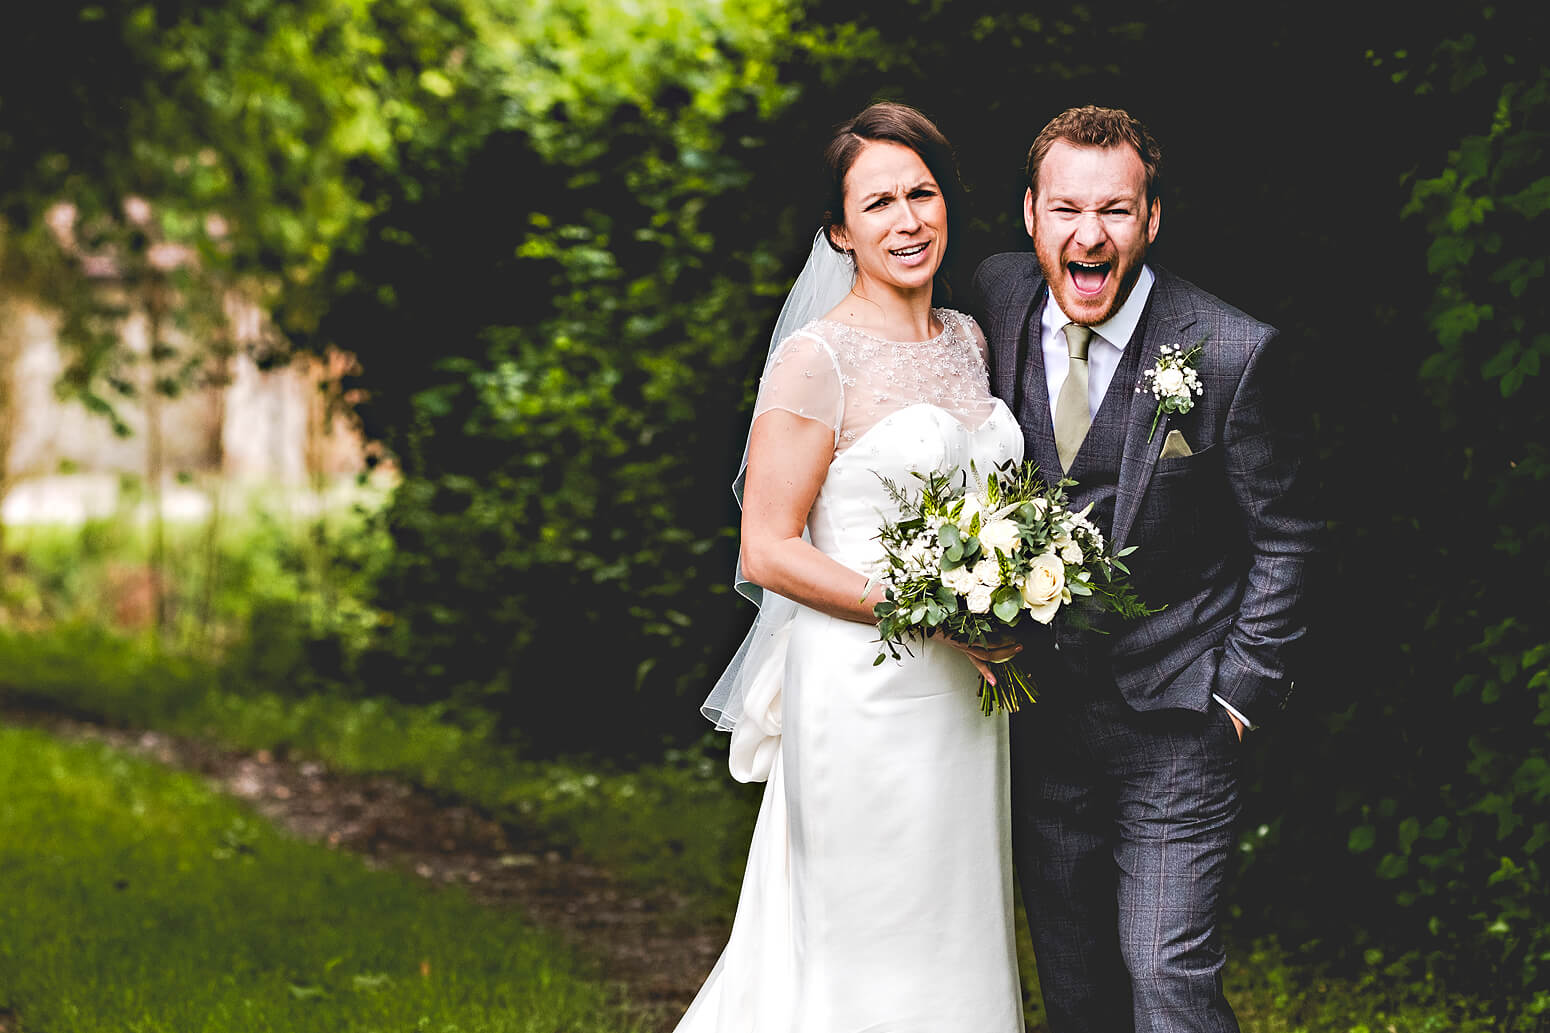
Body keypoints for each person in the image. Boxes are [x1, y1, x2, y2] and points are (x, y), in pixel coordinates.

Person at [970, 105, 1320, 1033]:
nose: (1091, 235)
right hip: (1042, 723)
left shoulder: (1233, 351)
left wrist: (1239, 692)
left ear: (1151, 219)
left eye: (1116, 212)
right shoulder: (992, 301)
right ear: (1032, 216)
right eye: (1068, 211)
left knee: (1165, 974)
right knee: (1077, 990)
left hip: (1177, 722)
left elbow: (1286, 533)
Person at [678, 102, 1026, 1033]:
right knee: (866, 938)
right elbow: (767, 546)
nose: (907, 220)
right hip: (863, 695)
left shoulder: (968, 340)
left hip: (964, 696)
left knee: (954, 929)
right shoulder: (814, 358)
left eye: (922, 193)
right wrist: (922, 608)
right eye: (878, 204)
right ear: (840, 229)